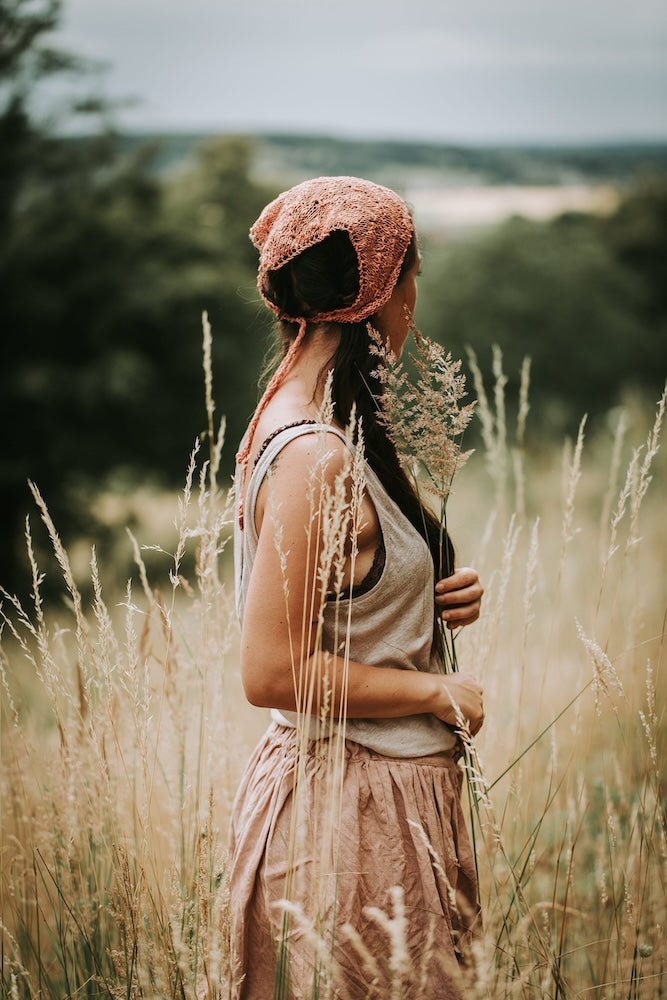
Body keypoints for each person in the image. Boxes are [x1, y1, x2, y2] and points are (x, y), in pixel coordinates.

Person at [229, 176, 484, 999]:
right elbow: (272, 672)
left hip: (361, 798)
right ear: (382, 292)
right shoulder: (314, 456)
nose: (417, 298)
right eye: (412, 277)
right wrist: (435, 690)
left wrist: (422, 596)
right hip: (348, 819)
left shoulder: (317, 427)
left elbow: (338, 601)